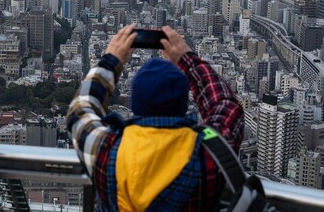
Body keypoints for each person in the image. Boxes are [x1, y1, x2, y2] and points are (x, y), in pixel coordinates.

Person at [67, 25, 244, 211]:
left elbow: (80, 108)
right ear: (184, 105)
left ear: (135, 104)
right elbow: (226, 105)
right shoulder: (207, 157)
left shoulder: (107, 152)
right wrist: (188, 60)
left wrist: (111, 60)